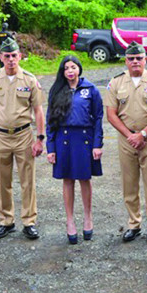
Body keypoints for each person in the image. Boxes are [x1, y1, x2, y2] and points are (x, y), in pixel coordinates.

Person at [104, 42, 147, 244]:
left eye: (139, 58)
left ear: (145, 59)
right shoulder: (116, 82)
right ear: (126, 61)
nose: (135, 62)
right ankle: (134, 223)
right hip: (126, 139)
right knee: (129, 184)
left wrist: (142, 134)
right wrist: (129, 135)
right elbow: (111, 113)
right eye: (131, 59)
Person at [0, 38, 46, 240]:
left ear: (20, 56)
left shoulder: (29, 80)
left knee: (27, 180)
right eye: (6, 56)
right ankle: (6, 221)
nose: (10, 59)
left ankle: (29, 221)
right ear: (0, 57)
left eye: (14, 55)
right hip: (0, 135)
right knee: (3, 180)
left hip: (24, 135)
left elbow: (38, 110)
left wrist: (40, 138)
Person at [45, 55, 103, 245]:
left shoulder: (90, 90)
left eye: (73, 67)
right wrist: (51, 148)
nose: (70, 71)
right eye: (66, 68)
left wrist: (97, 144)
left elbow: (98, 118)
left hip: (84, 139)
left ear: (79, 69)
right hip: (64, 140)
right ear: (62, 72)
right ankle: (70, 221)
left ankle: (88, 217)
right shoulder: (56, 91)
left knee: (85, 179)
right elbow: (50, 122)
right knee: (68, 180)